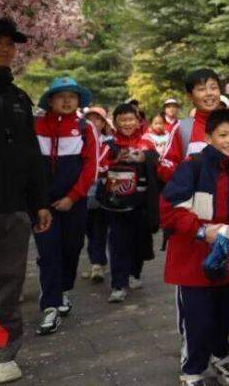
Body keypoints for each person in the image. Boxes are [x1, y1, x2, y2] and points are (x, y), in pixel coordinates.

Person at [160, 109, 229, 386]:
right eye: (223, 134)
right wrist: (202, 231)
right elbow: (169, 211)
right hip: (193, 260)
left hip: (225, 260)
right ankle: (192, 371)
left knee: (225, 316)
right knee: (197, 319)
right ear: (208, 137)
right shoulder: (192, 166)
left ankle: (221, 358)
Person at [0, 18, 51, 384]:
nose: (5, 48)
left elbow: (31, 155)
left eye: (10, 43)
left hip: (13, 209)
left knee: (7, 283)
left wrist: (39, 202)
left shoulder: (18, 98)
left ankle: (2, 354)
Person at [32, 76, 97, 336]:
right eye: (61, 96)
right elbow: (28, 166)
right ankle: (50, 304)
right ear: (50, 101)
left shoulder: (85, 128)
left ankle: (62, 289)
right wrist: (37, 202)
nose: (67, 101)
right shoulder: (34, 126)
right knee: (48, 252)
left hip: (75, 203)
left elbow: (91, 167)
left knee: (72, 248)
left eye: (72, 96)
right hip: (42, 205)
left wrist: (73, 197)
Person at [100, 103, 159, 302]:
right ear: (115, 123)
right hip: (116, 204)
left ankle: (134, 272)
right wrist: (115, 160)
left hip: (141, 204)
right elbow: (98, 166)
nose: (127, 123)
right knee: (118, 242)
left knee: (139, 240)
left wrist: (145, 158)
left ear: (138, 121)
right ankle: (118, 284)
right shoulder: (109, 144)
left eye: (131, 119)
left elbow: (158, 165)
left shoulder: (147, 142)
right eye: (122, 120)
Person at [162, 69, 229, 182]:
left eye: (213, 88)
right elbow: (165, 165)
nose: (209, 93)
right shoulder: (183, 128)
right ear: (190, 96)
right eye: (201, 89)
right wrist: (188, 173)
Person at [81, 106, 113, 285]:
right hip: (82, 193)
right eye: (90, 119)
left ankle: (97, 264)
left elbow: (105, 165)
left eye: (98, 119)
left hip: (101, 192)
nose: (93, 122)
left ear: (103, 123)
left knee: (99, 228)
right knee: (88, 229)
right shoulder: (79, 141)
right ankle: (97, 260)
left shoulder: (109, 144)